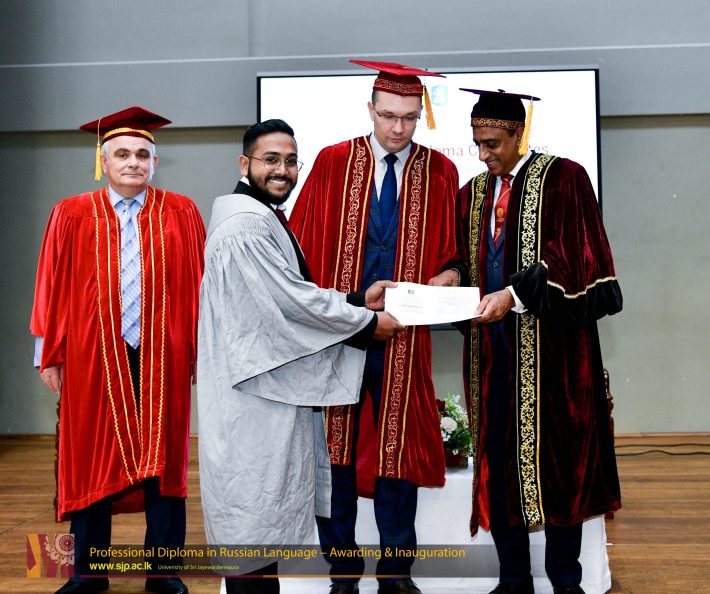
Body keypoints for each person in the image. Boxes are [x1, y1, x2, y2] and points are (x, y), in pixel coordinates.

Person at [197, 119, 403, 594]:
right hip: (252, 399)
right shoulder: (245, 226)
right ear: (244, 163)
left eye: (291, 161)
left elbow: (290, 294)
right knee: (250, 529)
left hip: (264, 392)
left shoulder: (259, 216)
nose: (283, 170)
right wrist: (366, 322)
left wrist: (356, 300)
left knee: (259, 531)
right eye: (271, 159)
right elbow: (290, 304)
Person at [289, 61, 463, 594]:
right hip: (341, 331)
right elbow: (299, 245)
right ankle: (342, 571)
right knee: (334, 452)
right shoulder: (333, 162)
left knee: (398, 449)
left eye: (409, 118)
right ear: (370, 109)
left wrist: (452, 271)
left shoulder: (440, 171)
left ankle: (396, 571)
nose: (398, 128)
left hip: (405, 337)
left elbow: (454, 251)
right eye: (388, 116)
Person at [31, 106, 205, 594]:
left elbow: (200, 286)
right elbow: (50, 284)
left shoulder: (181, 211)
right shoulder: (71, 212)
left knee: (165, 461)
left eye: (143, 155)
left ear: (155, 162)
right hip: (90, 355)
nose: (133, 162)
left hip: (163, 355)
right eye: (122, 154)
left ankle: (163, 572)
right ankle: (87, 574)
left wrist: (201, 352)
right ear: (103, 161)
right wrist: (47, 353)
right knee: (88, 458)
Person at [455, 89, 623, 594]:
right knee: (500, 463)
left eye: (492, 143)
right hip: (491, 354)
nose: (483, 154)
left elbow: (577, 258)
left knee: (559, 465)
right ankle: (513, 580)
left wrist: (514, 295)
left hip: (554, 354)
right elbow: (465, 260)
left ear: (518, 133)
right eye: (477, 143)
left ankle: (566, 582)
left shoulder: (565, 178)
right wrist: (449, 277)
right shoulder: (472, 193)